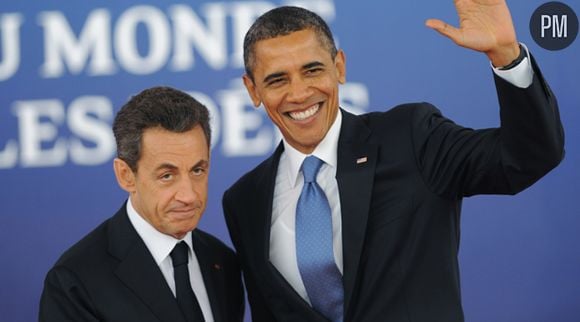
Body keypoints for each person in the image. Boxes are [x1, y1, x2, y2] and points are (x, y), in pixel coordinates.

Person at [222, 2, 564, 322]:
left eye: (312, 70)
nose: (298, 94)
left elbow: (526, 157)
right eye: (277, 79)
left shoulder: (410, 137)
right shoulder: (246, 200)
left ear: (339, 67)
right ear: (252, 90)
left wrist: (506, 56)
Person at [40, 86, 244, 322]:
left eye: (198, 170)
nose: (188, 195)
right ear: (126, 175)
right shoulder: (75, 282)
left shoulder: (222, 261)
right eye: (167, 175)